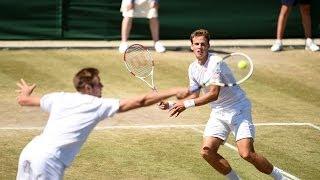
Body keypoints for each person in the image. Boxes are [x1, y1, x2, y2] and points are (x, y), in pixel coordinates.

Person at [16, 67, 187, 179]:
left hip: (30, 152)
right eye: (99, 84)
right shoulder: (96, 104)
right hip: (49, 160)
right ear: (88, 88)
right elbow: (139, 101)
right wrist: (174, 90)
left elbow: (23, 101)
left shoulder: (59, 97)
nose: (102, 86)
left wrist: (25, 93)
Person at [160, 29, 286, 179]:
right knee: (207, 152)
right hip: (218, 113)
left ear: (208, 46)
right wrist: (170, 104)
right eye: (196, 44)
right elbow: (195, 95)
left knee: (246, 153)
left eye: (203, 44)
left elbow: (213, 94)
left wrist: (185, 105)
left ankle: (281, 177)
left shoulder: (216, 62)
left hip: (238, 109)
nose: (200, 47)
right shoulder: (193, 68)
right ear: (191, 46)